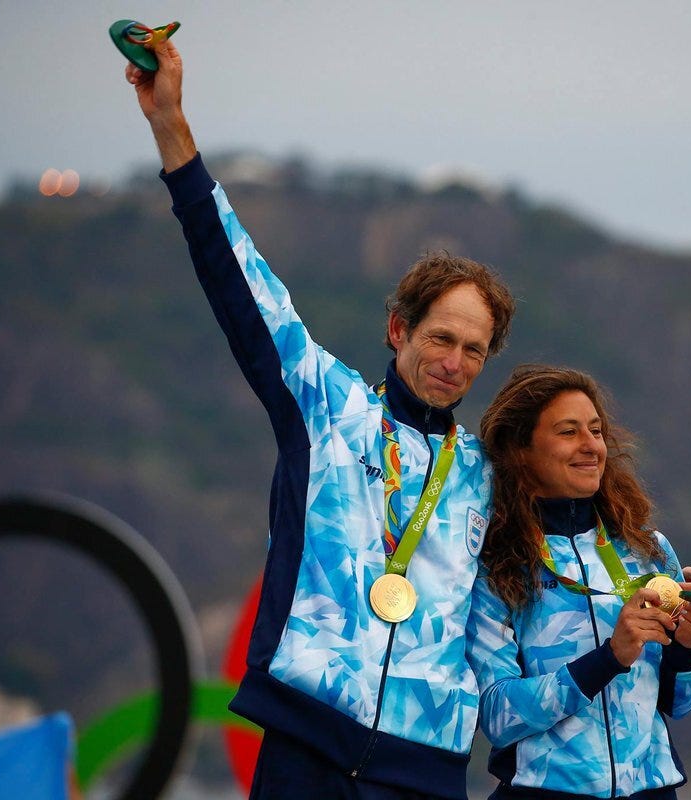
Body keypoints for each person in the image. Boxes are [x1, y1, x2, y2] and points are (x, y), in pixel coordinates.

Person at [123, 37, 517, 799]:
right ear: (398, 331)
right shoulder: (329, 410)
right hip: (305, 746)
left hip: (424, 769)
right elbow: (241, 282)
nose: (454, 362)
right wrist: (170, 123)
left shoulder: (484, 476)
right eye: (441, 338)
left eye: (474, 349)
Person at [467, 365, 691, 799]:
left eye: (595, 430)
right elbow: (498, 715)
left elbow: (679, 703)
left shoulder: (646, 548)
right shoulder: (496, 565)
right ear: (521, 450)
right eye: (568, 431)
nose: (591, 446)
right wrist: (609, 657)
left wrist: (690, 646)